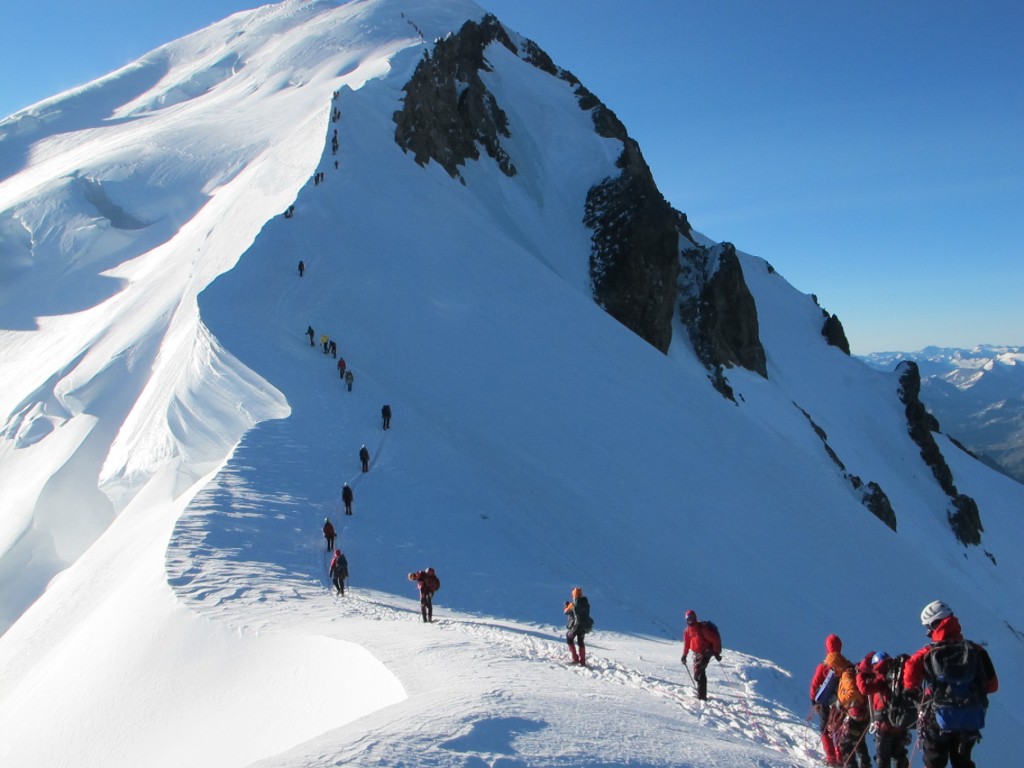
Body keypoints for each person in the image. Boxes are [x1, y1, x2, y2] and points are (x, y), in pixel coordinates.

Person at [904, 600, 998, 768]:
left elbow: (910, 678)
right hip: (969, 717)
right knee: (963, 762)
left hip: (938, 717)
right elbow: (993, 685)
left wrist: (917, 694)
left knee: (934, 761)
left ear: (935, 624)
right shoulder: (976, 651)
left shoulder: (927, 653)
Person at [858, 651, 912, 768]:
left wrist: (860, 674)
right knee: (899, 755)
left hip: (884, 723)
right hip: (899, 722)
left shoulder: (881, 677)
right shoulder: (898, 677)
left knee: (883, 757)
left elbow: (864, 689)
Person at [809, 634, 854, 767]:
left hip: (824, 703)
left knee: (825, 730)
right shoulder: (846, 665)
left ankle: (831, 758)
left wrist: (814, 701)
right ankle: (840, 758)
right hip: (840, 703)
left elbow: (814, 685)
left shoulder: (823, 666)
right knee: (839, 730)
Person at [680, 610, 722, 701]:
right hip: (697, 653)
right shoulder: (687, 631)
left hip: (707, 651)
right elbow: (687, 644)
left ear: (695, 618)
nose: (690, 621)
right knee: (697, 675)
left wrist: (716, 653)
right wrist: (684, 655)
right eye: (688, 619)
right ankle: (701, 695)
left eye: (692, 619)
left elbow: (714, 640)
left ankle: (702, 698)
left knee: (699, 672)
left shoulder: (702, 628)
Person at [836, 664, 872, 768]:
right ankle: (866, 765)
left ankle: (851, 766)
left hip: (854, 715)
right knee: (860, 742)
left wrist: (841, 702)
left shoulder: (847, 675)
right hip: (865, 716)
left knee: (846, 744)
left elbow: (852, 692)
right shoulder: (864, 676)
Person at [564, 586, 593, 666]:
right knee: (580, 641)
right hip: (584, 625)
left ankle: (575, 658)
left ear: (574, 594)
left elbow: (566, 612)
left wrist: (567, 606)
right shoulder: (586, 603)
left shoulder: (573, 604)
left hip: (575, 626)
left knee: (569, 638)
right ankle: (582, 661)